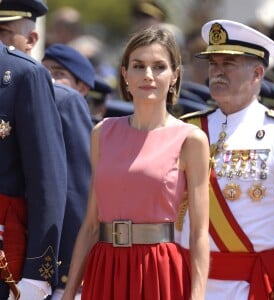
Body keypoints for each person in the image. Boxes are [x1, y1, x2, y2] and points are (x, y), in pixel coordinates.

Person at [62, 26, 210, 300]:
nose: (148, 76)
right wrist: (69, 292)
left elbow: (200, 233)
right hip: (105, 267)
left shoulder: (191, 139)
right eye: (138, 66)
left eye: (159, 67)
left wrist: (198, 295)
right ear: (125, 74)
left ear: (175, 75)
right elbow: (92, 224)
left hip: (159, 269)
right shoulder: (102, 133)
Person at [179, 19, 274, 299]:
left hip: (249, 289)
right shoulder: (186, 129)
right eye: (213, 64)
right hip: (188, 284)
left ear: (257, 73)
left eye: (228, 64)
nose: (217, 72)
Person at [0, 1, 93, 299]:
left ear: (32, 39)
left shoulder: (32, 81)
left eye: (4, 31)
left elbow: (59, 188)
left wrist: (48, 275)